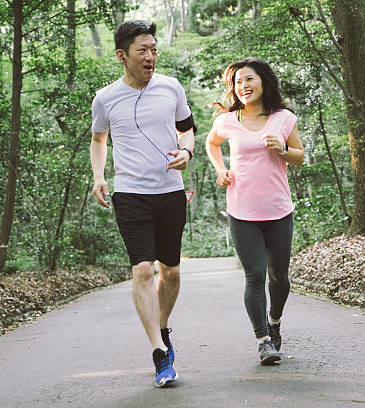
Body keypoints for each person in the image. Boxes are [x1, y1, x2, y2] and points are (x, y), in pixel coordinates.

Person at [90, 20, 196, 387]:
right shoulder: (105, 98)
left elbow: (188, 128)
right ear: (122, 56)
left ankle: (163, 330)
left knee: (171, 272)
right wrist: (99, 175)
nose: (150, 56)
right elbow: (99, 139)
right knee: (143, 271)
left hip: (170, 192)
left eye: (154, 49)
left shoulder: (171, 87)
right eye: (142, 50)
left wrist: (187, 151)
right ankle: (159, 353)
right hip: (130, 194)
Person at [205, 58, 304, 364]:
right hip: (242, 211)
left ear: (263, 82)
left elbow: (300, 157)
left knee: (279, 278)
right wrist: (221, 169)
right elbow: (212, 144)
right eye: (237, 82)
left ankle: (274, 321)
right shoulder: (228, 120)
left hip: (278, 210)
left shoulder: (283, 118)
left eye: (249, 79)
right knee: (255, 276)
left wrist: (283, 150)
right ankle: (263, 341)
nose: (243, 86)